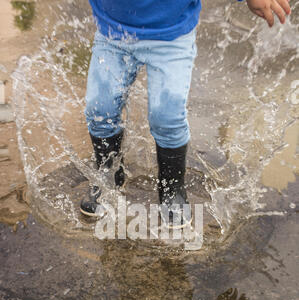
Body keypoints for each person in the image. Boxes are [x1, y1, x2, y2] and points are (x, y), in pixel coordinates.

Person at [80, 0, 291, 226]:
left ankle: (172, 187)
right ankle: (108, 176)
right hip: (111, 33)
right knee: (99, 108)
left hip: (171, 37)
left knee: (167, 117)